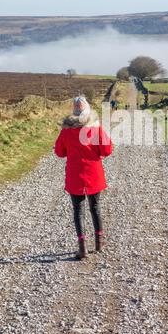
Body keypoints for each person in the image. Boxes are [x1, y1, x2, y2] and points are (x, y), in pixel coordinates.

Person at [54, 96, 113, 259]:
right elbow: (107, 150)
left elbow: (59, 152)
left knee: (78, 211)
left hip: (75, 175)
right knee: (95, 207)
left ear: (73, 111)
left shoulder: (66, 130)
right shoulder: (95, 129)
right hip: (94, 174)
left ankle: (83, 248)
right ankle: (99, 243)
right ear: (88, 110)